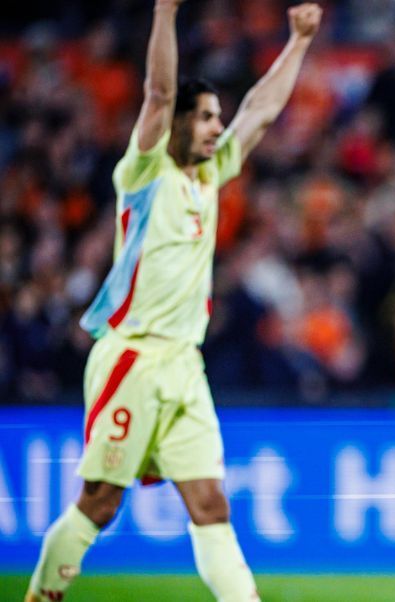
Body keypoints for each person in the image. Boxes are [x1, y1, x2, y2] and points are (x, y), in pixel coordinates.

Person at [25, 2, 322, 601]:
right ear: (179, 124)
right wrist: (164, 12)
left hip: (186, 364)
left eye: (217, 117)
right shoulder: (143, 173)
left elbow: (260, 111)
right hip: (132, 356)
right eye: (207, 118)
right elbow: (159, 93)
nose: (218, 127)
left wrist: (298, 41)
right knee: (101, 503)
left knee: (211, 503)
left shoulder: (210, 177)